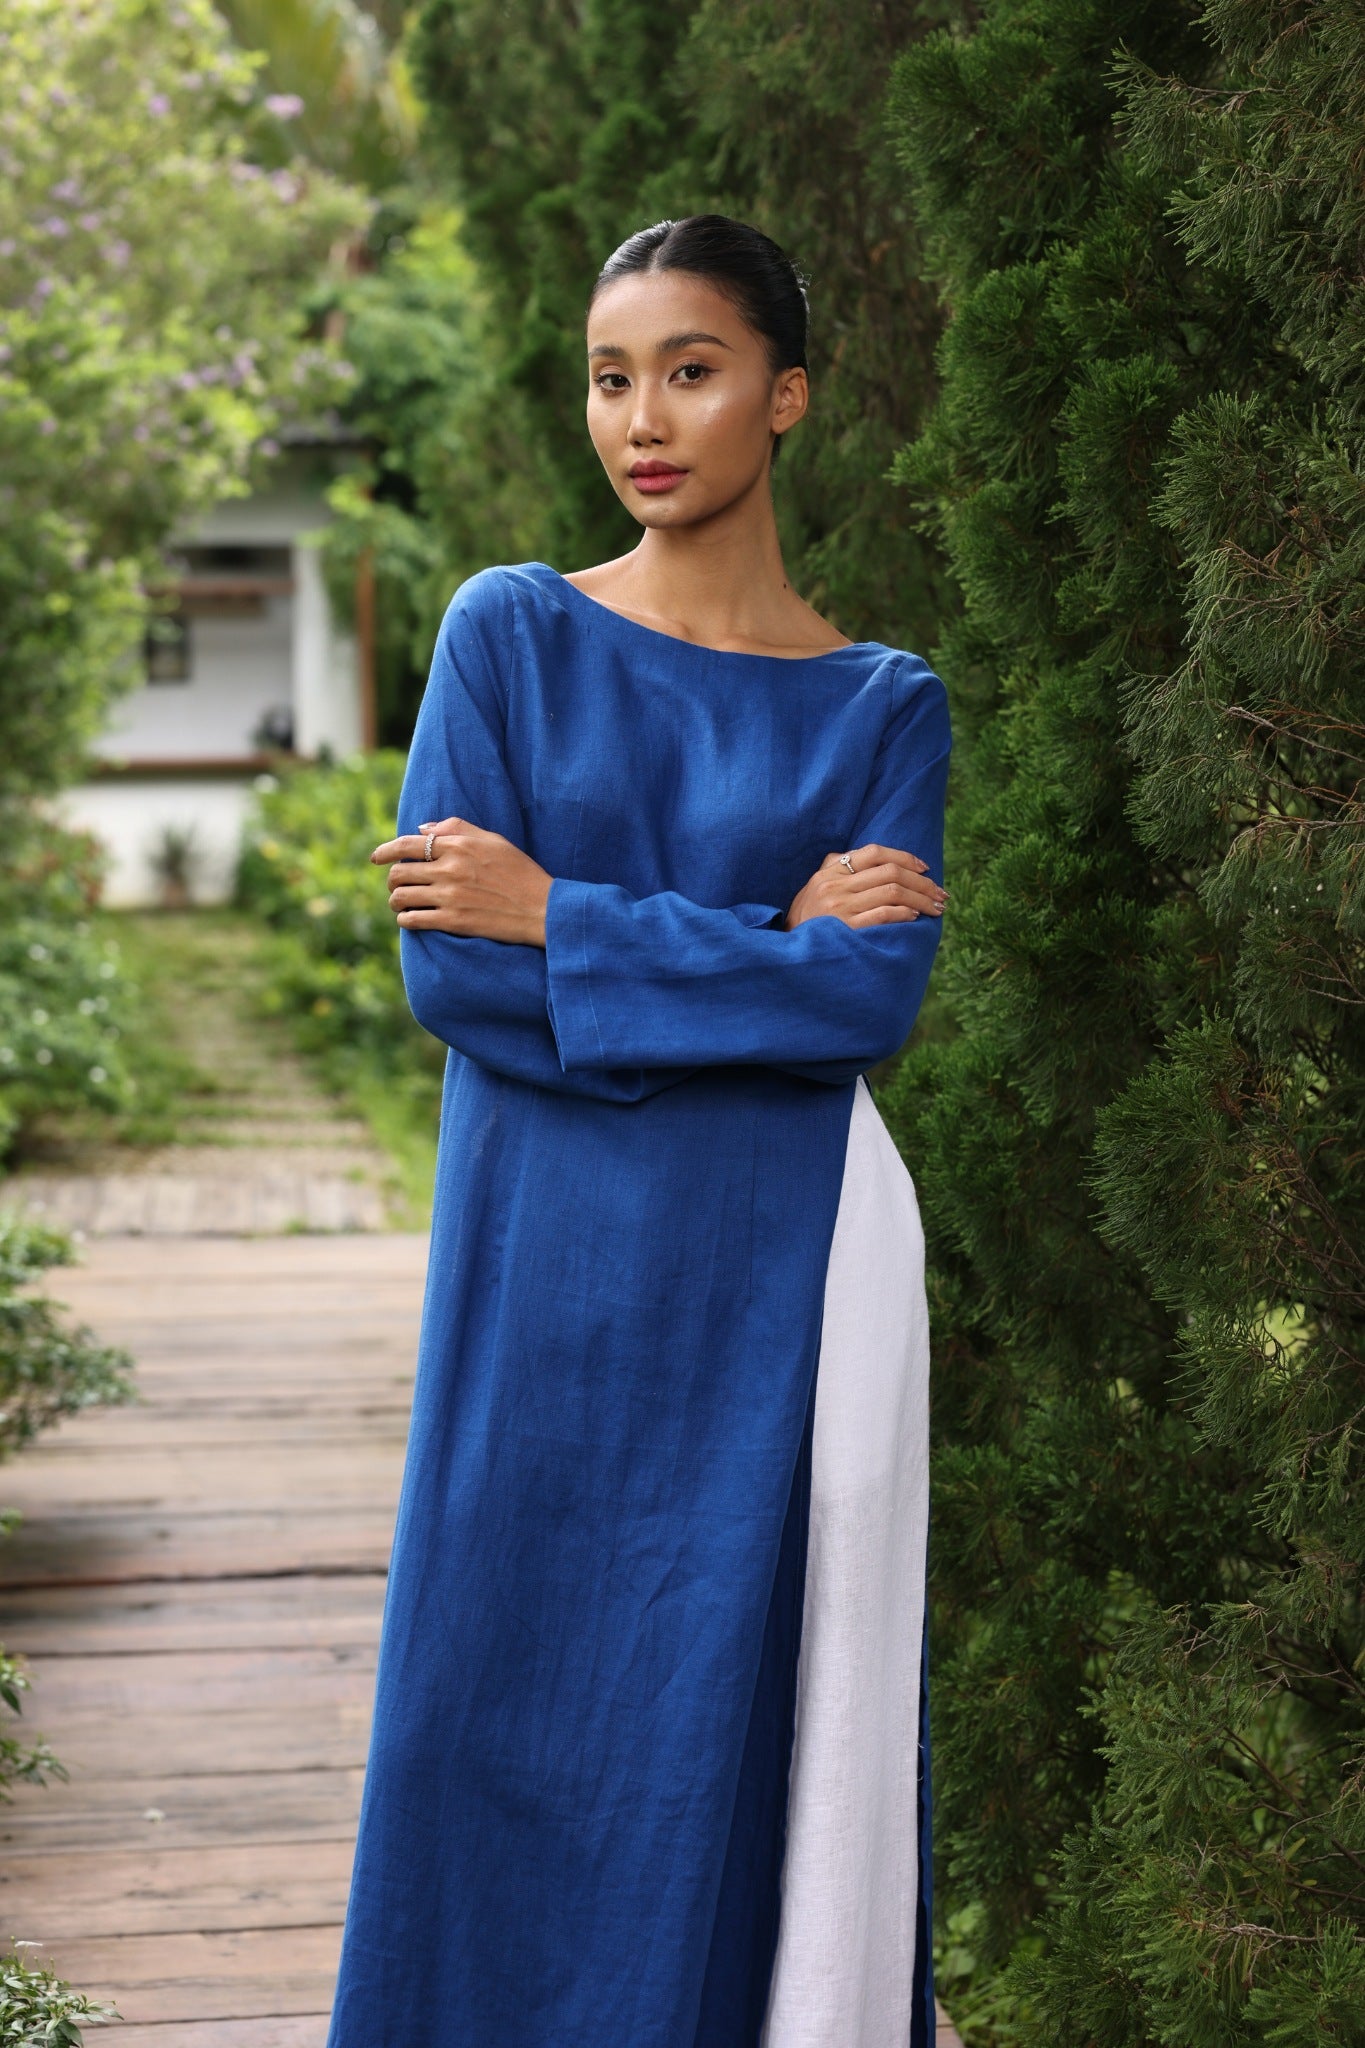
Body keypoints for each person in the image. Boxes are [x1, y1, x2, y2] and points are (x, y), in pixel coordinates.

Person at [327, 214, 951, 2048]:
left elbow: (869, 1006)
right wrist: (758, 953)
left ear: (789, 398)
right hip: (545, 1267)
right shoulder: (506, 631)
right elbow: (458, 988)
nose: (643, 417)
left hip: (788, 1276)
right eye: (612, 376)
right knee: (487, 1698)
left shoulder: (879, 703)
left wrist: (568, 917)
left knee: (740, 1718)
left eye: (691, 369)